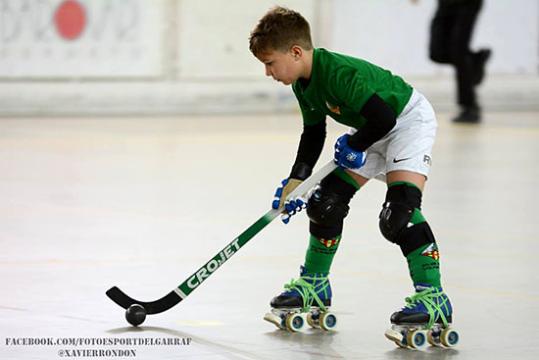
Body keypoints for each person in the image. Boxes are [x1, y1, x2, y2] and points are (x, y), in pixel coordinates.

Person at [249, 6, 456, 344]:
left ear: (296, 52)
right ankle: (315, 284)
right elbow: (313, 133)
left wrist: (356, 144)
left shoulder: (339, 73)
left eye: (270, 63)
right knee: (323, 202)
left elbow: (385, 118)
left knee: (399, 215)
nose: (268, 72)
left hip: (405, 122)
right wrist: (297, 181)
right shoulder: (303, 84)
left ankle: (434, 299)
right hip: (371, 128)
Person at [414, 0, 491, 123]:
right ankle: (475, 60)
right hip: (445, 3)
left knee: (459, 52)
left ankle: (469, 107)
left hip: (467, 3)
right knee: (436, 52)